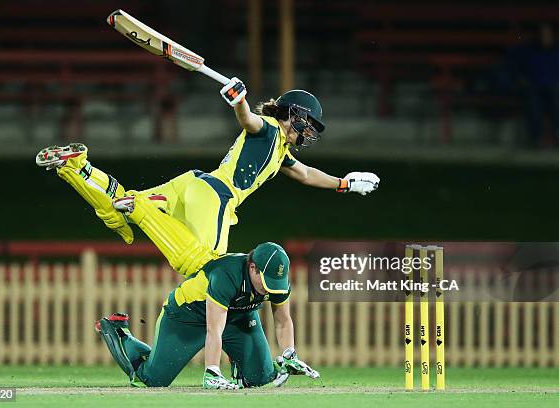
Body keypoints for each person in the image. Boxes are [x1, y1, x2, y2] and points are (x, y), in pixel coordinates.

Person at [36, 80, 380, 276]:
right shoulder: (271, 130)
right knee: (207, 270)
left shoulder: (279, 152)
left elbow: (305, 175)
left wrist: (344, 183)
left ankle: (77, 167)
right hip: (215, 197)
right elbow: (249, 121)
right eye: (308, 125)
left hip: (193, 184)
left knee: (116, 202)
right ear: (294, 114)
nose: (308, 134)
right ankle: (140, 209)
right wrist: (238, 101)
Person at [96, 242, 319, 389]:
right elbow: (214, 328)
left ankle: (241, 367)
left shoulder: (276, 282)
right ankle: (119, 330)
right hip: (187, 315)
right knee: (152, 380)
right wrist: (212, 371)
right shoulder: (226, 275)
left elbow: (283, 321)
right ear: (252, 267)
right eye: (267, 281)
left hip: (237, 316)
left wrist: (290, 354)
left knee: (260, 379)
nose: (271, 289)